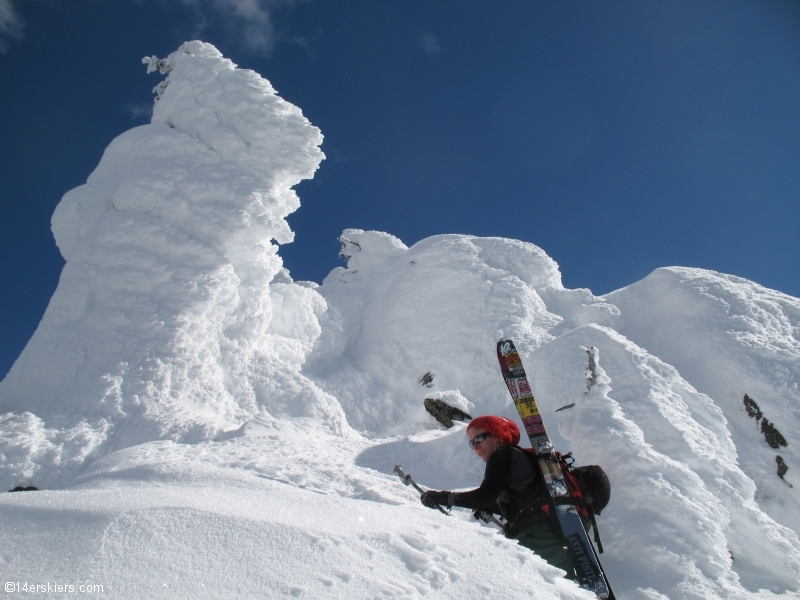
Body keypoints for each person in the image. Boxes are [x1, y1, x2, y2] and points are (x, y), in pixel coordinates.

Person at [420, 415, 576, 578]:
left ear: (496, 434)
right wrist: (491, 507)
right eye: (471, 443)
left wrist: (443, 498)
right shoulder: (513, 456)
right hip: (538, 528)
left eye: (479, 438)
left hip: (535, 532)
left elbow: (485, 495)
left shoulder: (501, 455)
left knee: (558, 583)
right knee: (555, 583)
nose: (476, 446)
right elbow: (520, 498)